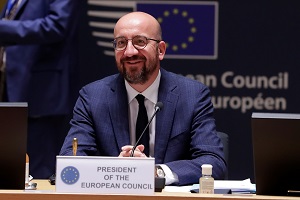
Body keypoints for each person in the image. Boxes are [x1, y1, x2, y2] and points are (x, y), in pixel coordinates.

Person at [60, 11, 226, 186]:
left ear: (160, 50)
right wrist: (115, 170)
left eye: (140, 42)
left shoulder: (192, 95)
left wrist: (155, 172)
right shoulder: (92, 97)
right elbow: (70, 159)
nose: (129, 52)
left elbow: (213, 161)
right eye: (121, 43)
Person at [0, 0, 80, 178]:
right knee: (12, 167)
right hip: (12, 86)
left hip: (41, 90)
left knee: (39, 168)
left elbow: (57, 25)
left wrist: (4, 29)